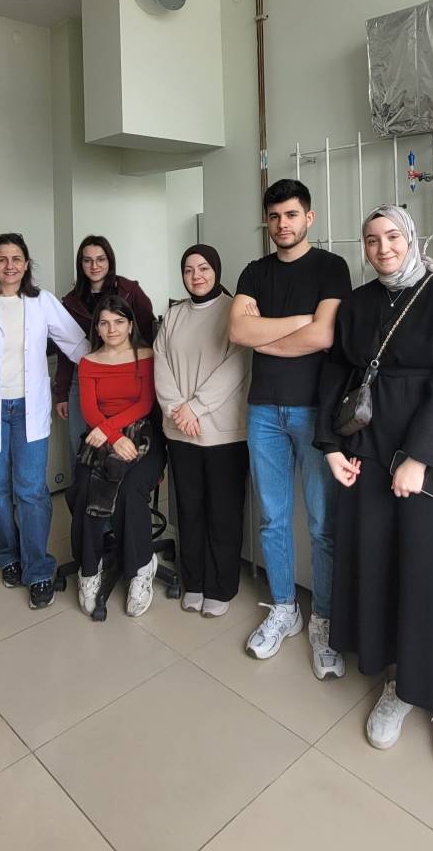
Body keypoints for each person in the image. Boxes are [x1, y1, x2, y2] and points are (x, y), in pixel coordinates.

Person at [318, 205, 433, 777]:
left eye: (392, 236)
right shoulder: (358, 304)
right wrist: (331, 445)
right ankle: (397, 680)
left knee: (432, 568)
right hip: (369, 451)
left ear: (412, 238)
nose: (383, 248)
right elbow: (338, 373)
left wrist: (420, 457)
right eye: (371, 240)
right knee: (382, 564)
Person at [230, 178, 352, 676]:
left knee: (323, 525)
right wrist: (299, 322)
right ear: (267, 220)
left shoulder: (331, 267)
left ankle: (323, 618)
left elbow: (324, 336)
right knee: (273, 520)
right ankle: (284, 609)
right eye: (275, 216)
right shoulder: (253, 271)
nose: (283, 224)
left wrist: (266, 337)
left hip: (314, 414)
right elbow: (238, 330)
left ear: (309, 217)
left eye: (292, 215)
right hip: (263, 412)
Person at [0, 234, 89, 610]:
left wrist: (108, 369)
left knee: (32, 492)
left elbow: (76, 344)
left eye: (16, 259)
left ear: (26, 264)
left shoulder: (42, 302)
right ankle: (8, 555)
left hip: (29, 410)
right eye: (2, 259)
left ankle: (38, 569)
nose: (9, 265)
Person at [155, 244, 250, 617]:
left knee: (223, 512)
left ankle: (221, 586)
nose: (196, 276)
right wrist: (177, 410)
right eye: (189, 269)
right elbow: (160, 363)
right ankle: (193, 581)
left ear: (217, 270)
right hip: (180, 432)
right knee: (189, 510)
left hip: (224, 432)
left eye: (204, 268)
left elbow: (239, 362)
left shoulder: (235, 309)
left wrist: (194, 407)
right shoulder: (174, 314)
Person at [70, 295, 165, 618]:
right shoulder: (89, 362)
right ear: (96, 328)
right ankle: (89, 568)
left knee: (129, 489)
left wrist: (116, 433)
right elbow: (89, 410)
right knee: (84, 488)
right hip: (101, 437)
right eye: (105, 323)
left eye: (119, 322)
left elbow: (145, 403)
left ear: (130, 325)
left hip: (143, 436)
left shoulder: (145, 355)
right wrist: (113, 436)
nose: (112, 329)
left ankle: (141, 568)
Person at [53, 235, 154, 473]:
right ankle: (84, 492)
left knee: (128, 446)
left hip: (128, 377)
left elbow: (148, 331)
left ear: (110, 261)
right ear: (80, 264)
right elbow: (64, 350)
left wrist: (145, 368)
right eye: (87, 260)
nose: (95, 266)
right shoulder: (71, 302)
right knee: (84, 447)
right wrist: (62, 393)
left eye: (100, 259)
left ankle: (123, 492)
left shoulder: (130, 290)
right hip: (85, 377)